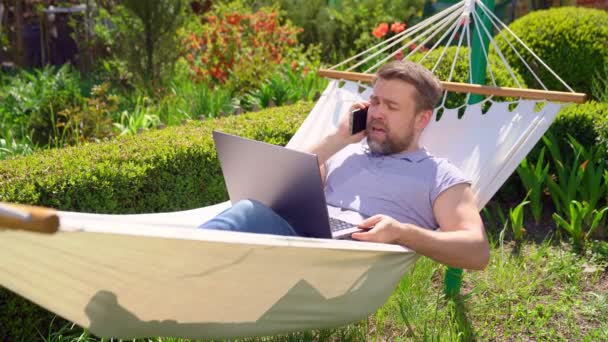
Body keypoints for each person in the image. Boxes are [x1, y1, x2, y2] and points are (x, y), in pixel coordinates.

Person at [200, 60, 489, 270]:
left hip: (338, 262)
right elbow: (274, 187)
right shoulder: (344, 151)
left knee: (248, 214)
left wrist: (402, 232)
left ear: (421, 119)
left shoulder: (439, 175)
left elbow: (477, 251)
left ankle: (178, 258)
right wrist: (337, 139)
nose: (377, 113)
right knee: (249, 210)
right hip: (294, 241)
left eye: (391, 106)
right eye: (374, 102)